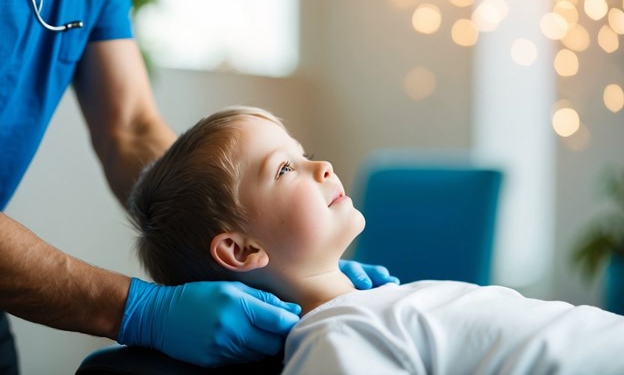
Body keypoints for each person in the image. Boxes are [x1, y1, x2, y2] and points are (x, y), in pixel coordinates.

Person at [0, 0, 396, 373]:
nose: (325, 168)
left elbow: (130, 128)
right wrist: (138, 310)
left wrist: (296, 272)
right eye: (284, 167)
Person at [129, 106, 624, 374]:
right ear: (240, 250)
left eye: (301, 155)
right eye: (283, 168)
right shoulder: (334, 335)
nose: (320, 166)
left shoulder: (372, 304)